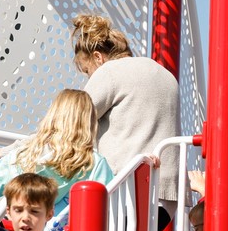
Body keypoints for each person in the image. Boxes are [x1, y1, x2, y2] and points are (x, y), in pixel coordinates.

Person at [71, 14, 181, 218]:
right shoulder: (165, 74)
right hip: (166, 198)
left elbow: (67, 122)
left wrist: (11, 151)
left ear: (98, 57)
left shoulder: (109, 72)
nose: (89, 79)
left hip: (125, 190)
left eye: (88, 72)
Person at [0, 88, 113, 231]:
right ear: (89, 122)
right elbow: (109, 206)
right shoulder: (95, 163)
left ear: (53, 115)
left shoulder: (26, 154)